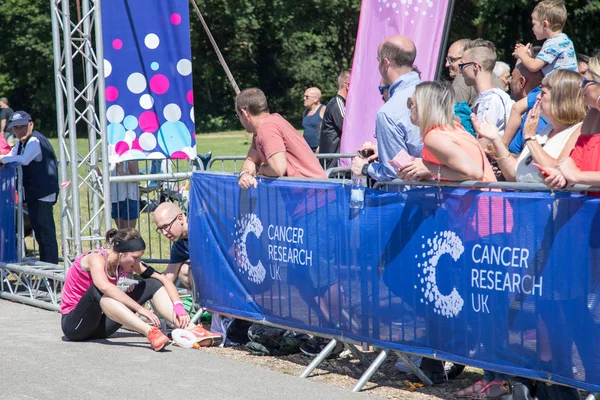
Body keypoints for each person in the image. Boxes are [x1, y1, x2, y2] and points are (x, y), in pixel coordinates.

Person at [60, 228, 221, 350]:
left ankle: (190, 329)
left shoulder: (128, 262)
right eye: (135, 257)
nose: (137, 262)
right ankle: (150, 332)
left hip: (100, 326)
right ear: (121, 253)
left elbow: (164, 279)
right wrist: (140, 309)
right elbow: (104, 286)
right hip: (75, 326)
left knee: (152, 283)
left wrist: (178, 306)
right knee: (98, 290)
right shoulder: (96, 257)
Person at [473, 69, 584, 183]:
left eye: (543, 93)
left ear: (561, 98)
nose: (538, 97)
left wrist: (530, 137)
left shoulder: (578, 131)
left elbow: (557, 171)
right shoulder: (546, 130)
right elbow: (514, 174)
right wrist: (496, 140)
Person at [351, 35, 422, 181]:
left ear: (385, 63)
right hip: (445, 193)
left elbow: (393, 172)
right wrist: (382, 151)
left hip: (409, 197)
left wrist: (365, 168)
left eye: (378, 61)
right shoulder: (437, 95)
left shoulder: (388, 112)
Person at [237, 88, 326, 190]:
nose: (239, 120)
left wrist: (261, 170)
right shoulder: (262, 128)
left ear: (245, 113)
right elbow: (251, 160)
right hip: (307, 193)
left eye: (238, 116)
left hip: (314, 194)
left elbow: (278, 168)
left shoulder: (267, 128)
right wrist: (244, 174)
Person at [0, 111, 59, 264]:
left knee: (45, 235)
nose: (19, 131)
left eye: (22, 127)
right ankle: (47, 270)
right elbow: (13, 154)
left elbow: (24, 160)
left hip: (43, 193)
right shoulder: (21, 143)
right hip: (34, 193)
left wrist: (3, 159)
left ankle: (51, 273)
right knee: (40, 234)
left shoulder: (35, 141)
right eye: (16, 128)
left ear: (31, 124)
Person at [544, 53, 600, 190]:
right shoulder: (592, 115)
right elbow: (577, 162)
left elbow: (576, 173)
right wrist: (561, 177)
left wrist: (576, 176)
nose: (581, 85)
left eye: (586, 81)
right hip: (587, 207)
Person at [460, 39, 514, 140]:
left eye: (462, 66)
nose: (460, 71)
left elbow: (483, 144)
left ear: (475, 66)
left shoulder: (491, 101)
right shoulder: (490, 97)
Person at [513, 0, 577, 77]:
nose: (532, 28)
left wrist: (522, 54)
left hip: (558, 87)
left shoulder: (553, 43)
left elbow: (533, 66)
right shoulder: (565, 40)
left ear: (545, 25)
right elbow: (543, 67)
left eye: (534, 24)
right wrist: (531, 56)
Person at [445, 39, 505, 107]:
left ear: (466, 58)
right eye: (447, 59)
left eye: (452, 60)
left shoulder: (462, 78)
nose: (447, 64)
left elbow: (451, 114)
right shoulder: (491, 77)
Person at [152, 202, 193, 289]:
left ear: (180, 218)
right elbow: (169, 276)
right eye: (160, 229)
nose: (165, 233)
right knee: (185, 271)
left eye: (166, 226)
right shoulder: (179, 244)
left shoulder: (202, 228)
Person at [319, 69, 350, 169]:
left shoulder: (342, 104)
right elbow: (349, 130)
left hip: (338, 166)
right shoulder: (337, 104)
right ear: (348, 85)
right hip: (334, 167)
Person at [111, 160, 140, 229]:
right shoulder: (109, 154)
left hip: (128, 197)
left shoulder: (129, 154)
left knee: (128, 233)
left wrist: (121, 172)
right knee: (122, 233)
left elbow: (136, 178)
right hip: (115, 197)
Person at [301, 87, 325, 153]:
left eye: (307, 97)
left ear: (315, 99)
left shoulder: (323, 110)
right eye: (304, 96)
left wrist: (320, 147)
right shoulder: (306, 112)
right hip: (307, 150)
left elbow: (327, 132)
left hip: (319, 151)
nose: (304, 98)